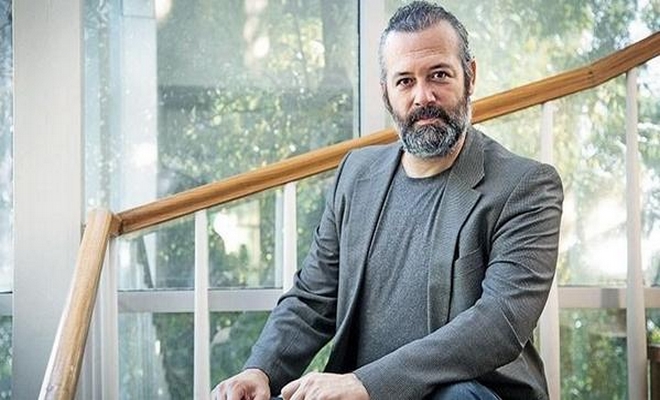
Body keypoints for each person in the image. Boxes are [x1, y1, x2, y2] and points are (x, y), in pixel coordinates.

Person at [212, 1, 563, 399]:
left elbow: (499, 324)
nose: (423, 96)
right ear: (385, 93)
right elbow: (313, 299)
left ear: (470, 76)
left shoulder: (525, 186)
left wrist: (367, 383)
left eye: (439, 75)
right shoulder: (355, 175)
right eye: (405, 81)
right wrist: (260, 370)